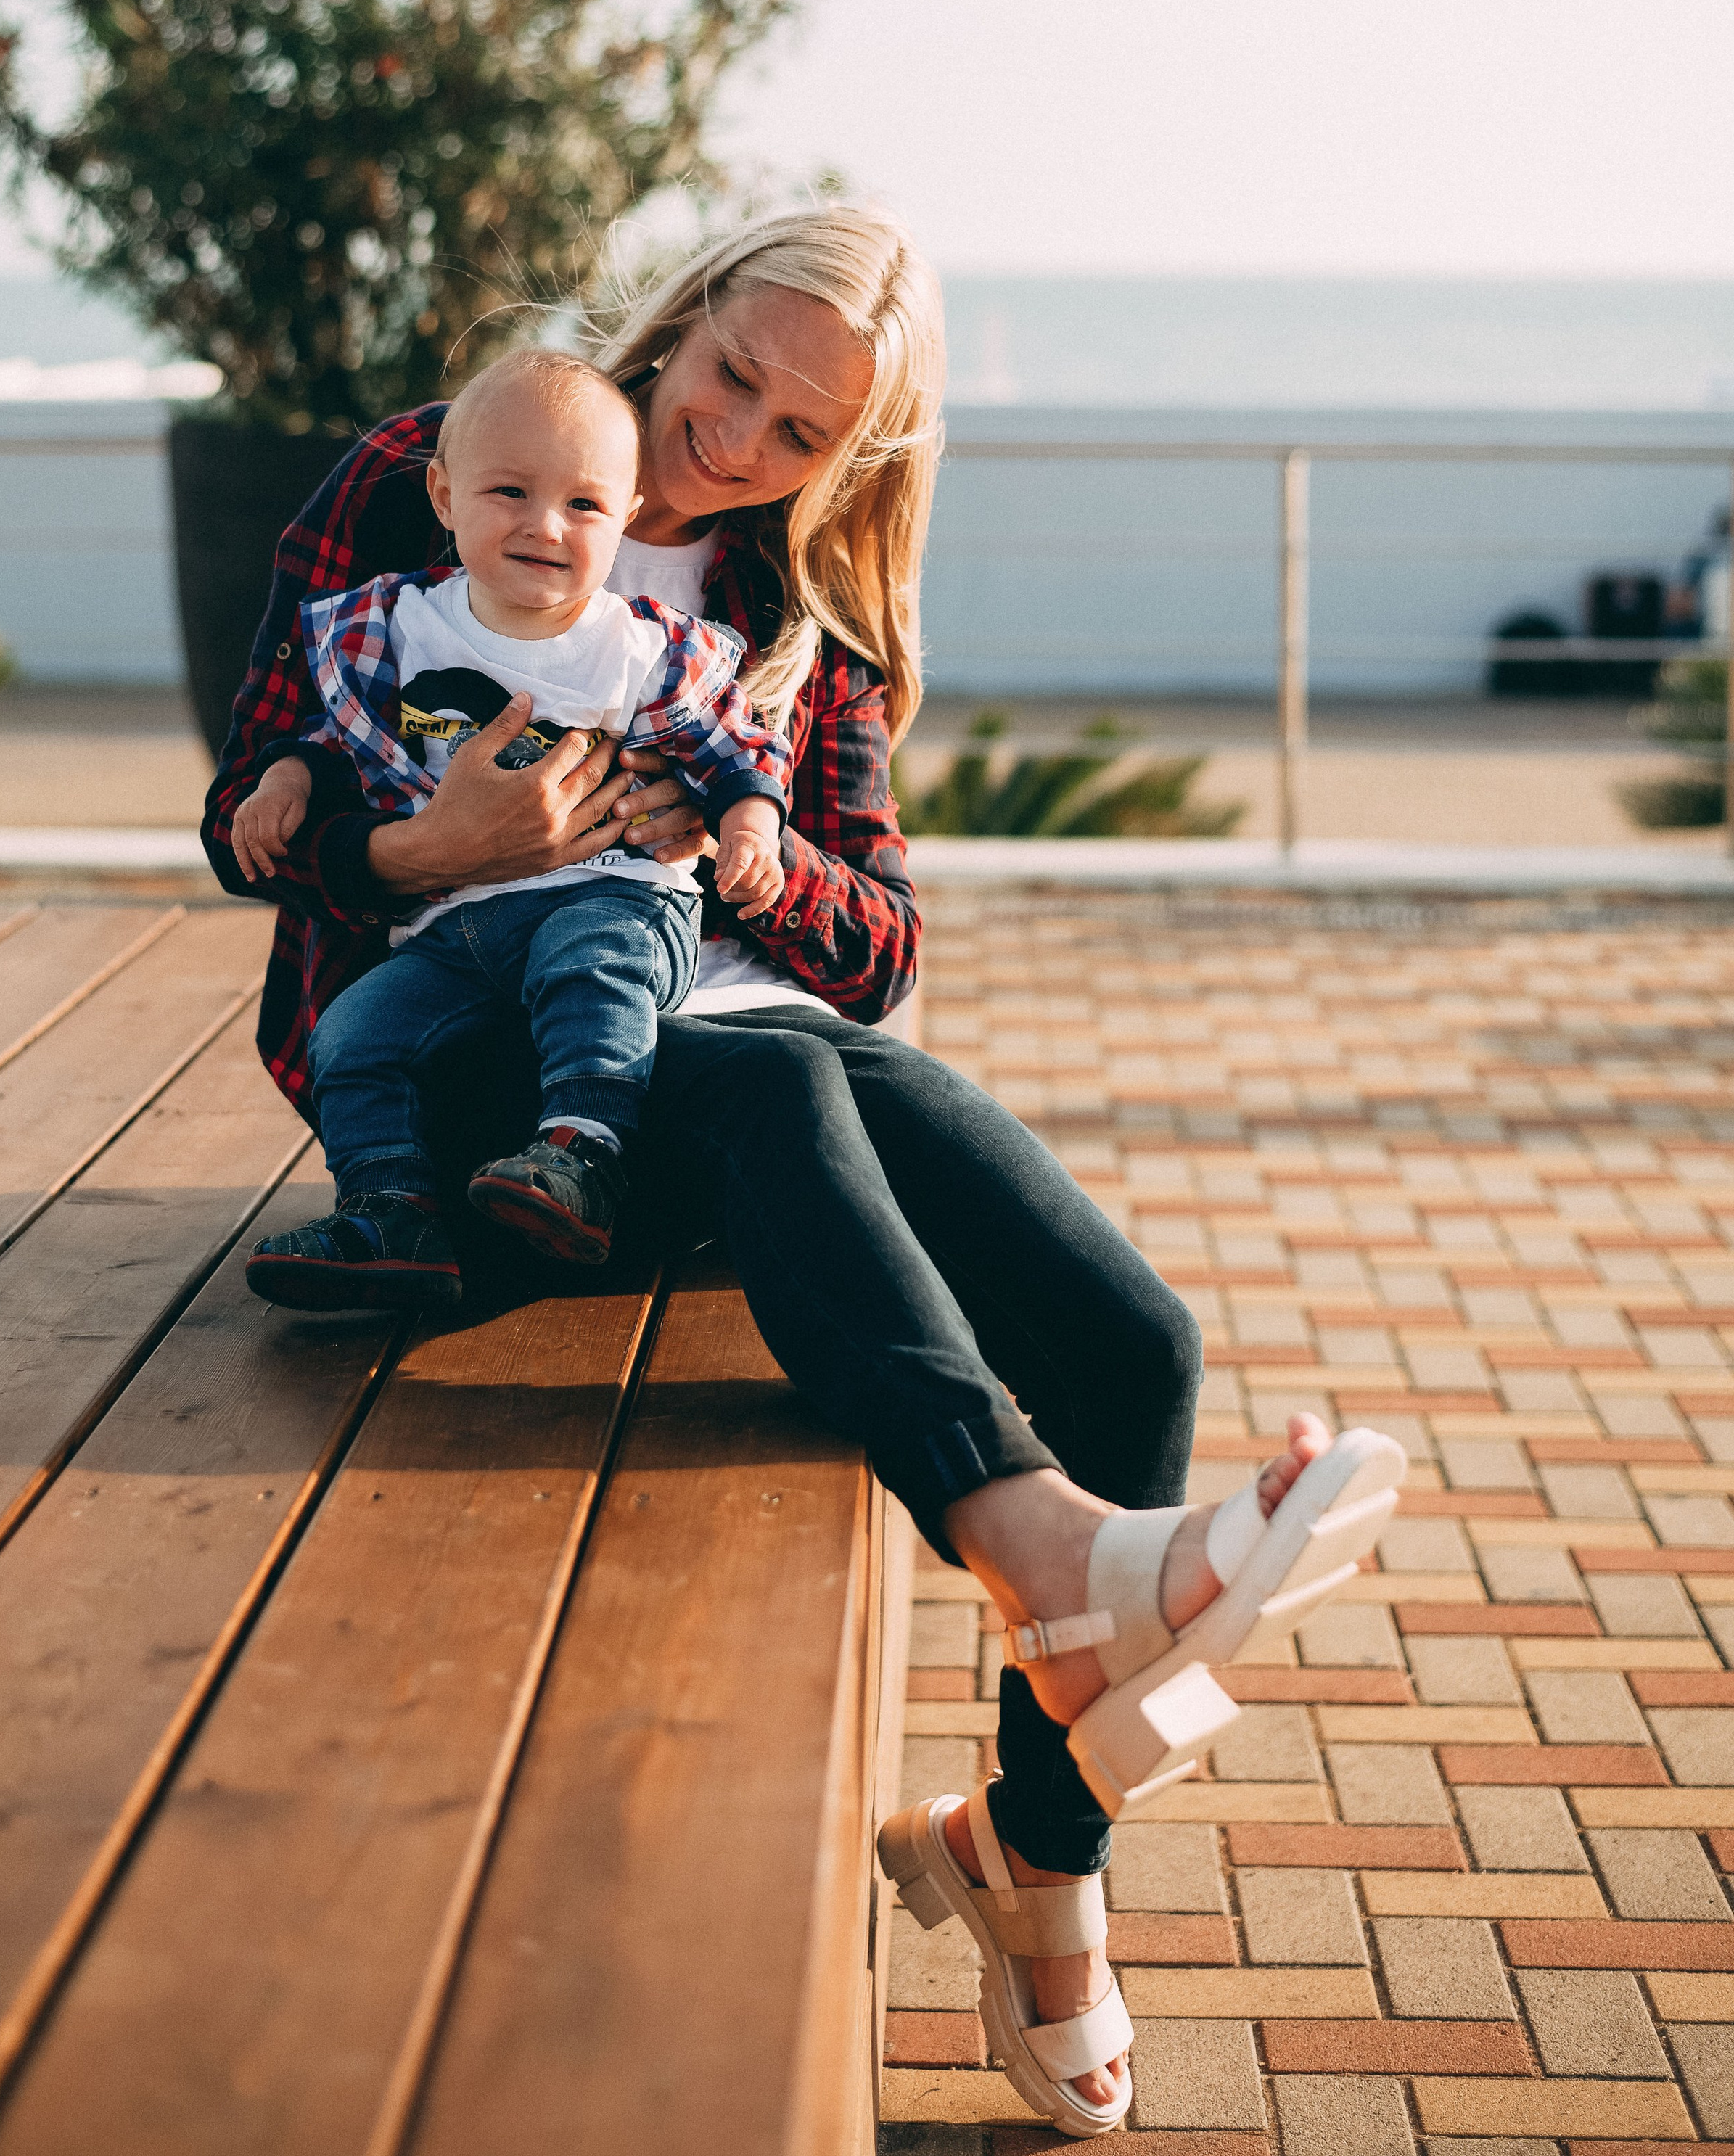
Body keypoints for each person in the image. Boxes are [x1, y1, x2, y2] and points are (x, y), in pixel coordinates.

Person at [202, 205, 1402, 2133]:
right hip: (487, 1093)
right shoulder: (462, 460)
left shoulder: (791, 606)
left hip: (760, 1043)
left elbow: (882, 940)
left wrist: (750, 859)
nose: (731, 440)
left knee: (1136, 1342)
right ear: (682, 319)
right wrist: (432, 846)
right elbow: (249, 796)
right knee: (765, 1081)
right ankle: (1041, 1551)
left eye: (795, 431)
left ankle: (1035, 1859)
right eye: (728, 374)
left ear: (846, 457)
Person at [229, 349, 790, 1307]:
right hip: (454, 924)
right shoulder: (399, 625)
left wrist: (750, 826)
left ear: (625, 518)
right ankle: (389, 1209)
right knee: (356, 1028)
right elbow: (341, 741)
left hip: (614, 900)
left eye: (583, 505)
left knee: (588, 968)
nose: (546, 524)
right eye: (510, 492)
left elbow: (736, 748)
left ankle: (583, 1154)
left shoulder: (640, 647)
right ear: (445, 496)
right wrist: (284, 781)